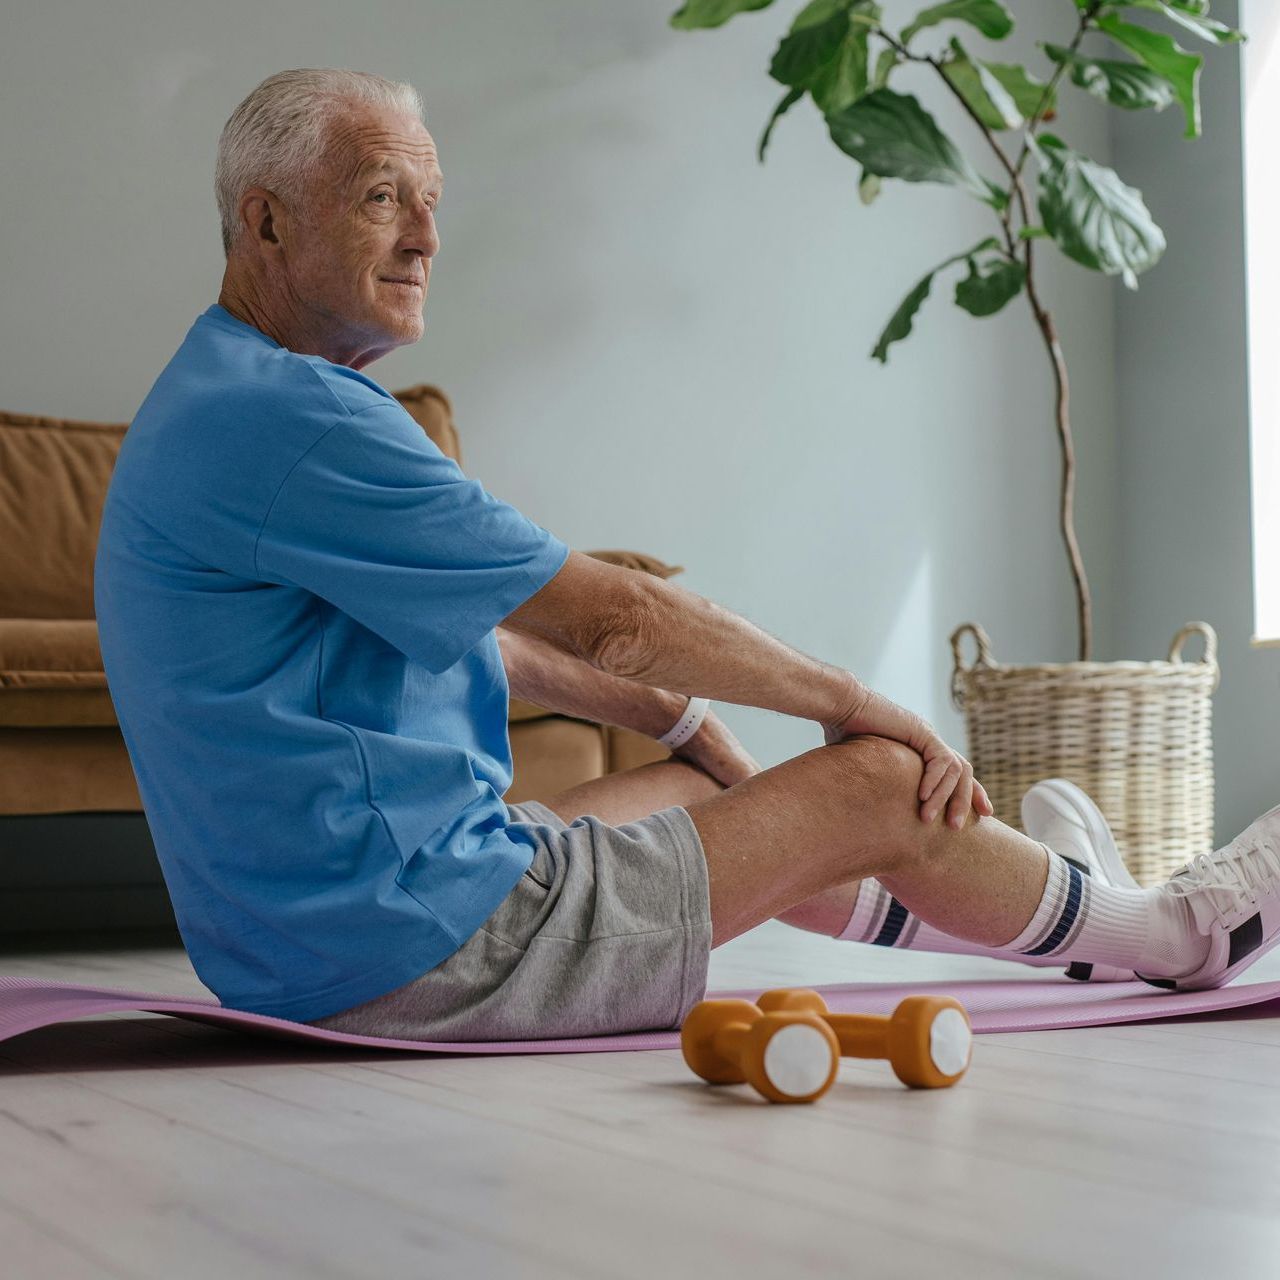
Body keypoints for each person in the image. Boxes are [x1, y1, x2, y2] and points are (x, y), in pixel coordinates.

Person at [94, 68, 1280, 1041]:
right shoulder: (300, 422)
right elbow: (608, 616)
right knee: (874, 783)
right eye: (380, 197)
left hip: (311, 950)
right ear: (264, 219)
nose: (425, 237)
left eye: (432, 201)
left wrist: (677, 725)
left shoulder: (222, 396)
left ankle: (1071, 921)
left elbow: (493, 649)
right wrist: (857, 704)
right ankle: (1177, 934)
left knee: (703, 786)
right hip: (435, 950)